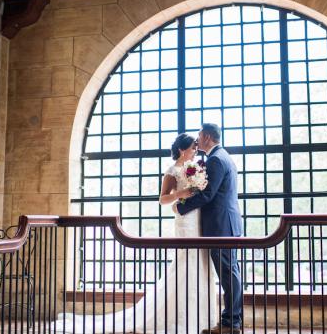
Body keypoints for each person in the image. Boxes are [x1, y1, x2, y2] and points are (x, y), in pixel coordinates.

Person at [53, 133, 217, 333]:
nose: (195, 151)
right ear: (183, 150)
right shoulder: (172, 171)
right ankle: (181, 317)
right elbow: (163, 199)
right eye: (193, 147)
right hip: (184, 222)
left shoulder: (198, 167)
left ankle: (200, 317)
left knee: (199, 262)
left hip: (197, 218)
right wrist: (180, 194)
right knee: (185, 262)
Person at [173, 123, 243, 334]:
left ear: (209, 137)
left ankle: (231, 323)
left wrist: (181, 207)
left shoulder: (216, 160)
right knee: (230, 273)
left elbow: (208, 194)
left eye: (200, 134)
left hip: (221, 226)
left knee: (228, 274)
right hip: (225, 223)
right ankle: (231, 320)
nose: (198, 138)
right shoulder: (223, 157)